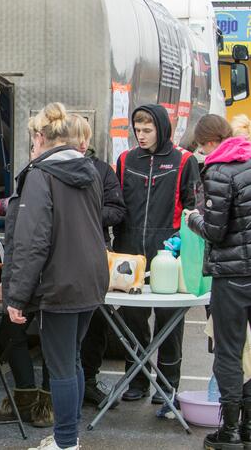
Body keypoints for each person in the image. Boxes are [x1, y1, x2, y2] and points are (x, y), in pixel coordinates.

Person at [3, 103, 109, 450]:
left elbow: (32, 241)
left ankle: (65, 442)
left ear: (38, 136)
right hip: (90, 278)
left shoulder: (40, 175)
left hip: (60, 283)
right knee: (72, 361)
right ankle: (68, 437)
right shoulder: (89, 171)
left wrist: (17, 296)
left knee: (61, 365)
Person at [113, 105, 200, 411]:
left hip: (168, 251)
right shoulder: (126, 159)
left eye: (147, 130)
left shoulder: (184, 160)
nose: (142, 135)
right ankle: (136, 379)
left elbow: (194, 207)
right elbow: (116, 204)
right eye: (137, 129)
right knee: (133, 319)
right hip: (130, 249)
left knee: (170, 321)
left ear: (162, 129)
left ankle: (167, 387)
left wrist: (182, 243)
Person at [0, 113, 55, 428]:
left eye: (33, 136)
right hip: (32, 271)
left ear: (41, 137)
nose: (31, 143)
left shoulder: (48, 173)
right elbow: (18, 206)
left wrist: (17, 295)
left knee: (53, 339)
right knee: (10, 333)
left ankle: (46, 405)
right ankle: (25, 395)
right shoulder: (37, 172)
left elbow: (33, 231)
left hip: (46, 273)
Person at [185, 114, 251, 450]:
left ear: (209, 142)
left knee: (229, 351)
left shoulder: (218, 171)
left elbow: (215, 230)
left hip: (232, 276)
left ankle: (231, 431)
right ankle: (250, 425)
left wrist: (194, 219)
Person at [71, 114, 126, 407]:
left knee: (96, 322)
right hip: (62, 258)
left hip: (95, 254)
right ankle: (58, 389)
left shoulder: (102, 170)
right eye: (74, 136)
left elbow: (117, 211)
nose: (80, 143)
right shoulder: (48, 169)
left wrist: (88, 214)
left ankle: (89, 380)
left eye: (84, 137)